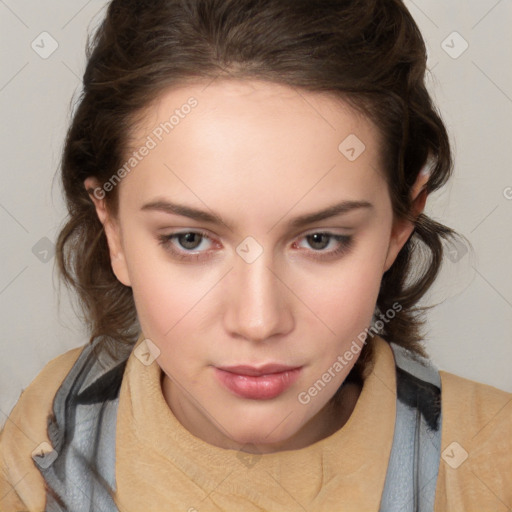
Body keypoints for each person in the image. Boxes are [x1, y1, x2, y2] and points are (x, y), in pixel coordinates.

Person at [1, 0, 510, 510]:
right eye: (190, 240)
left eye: (320, 239)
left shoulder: (493, 460)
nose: (258, 321)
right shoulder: (44, 439)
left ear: (401, 224)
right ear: (112, 228)